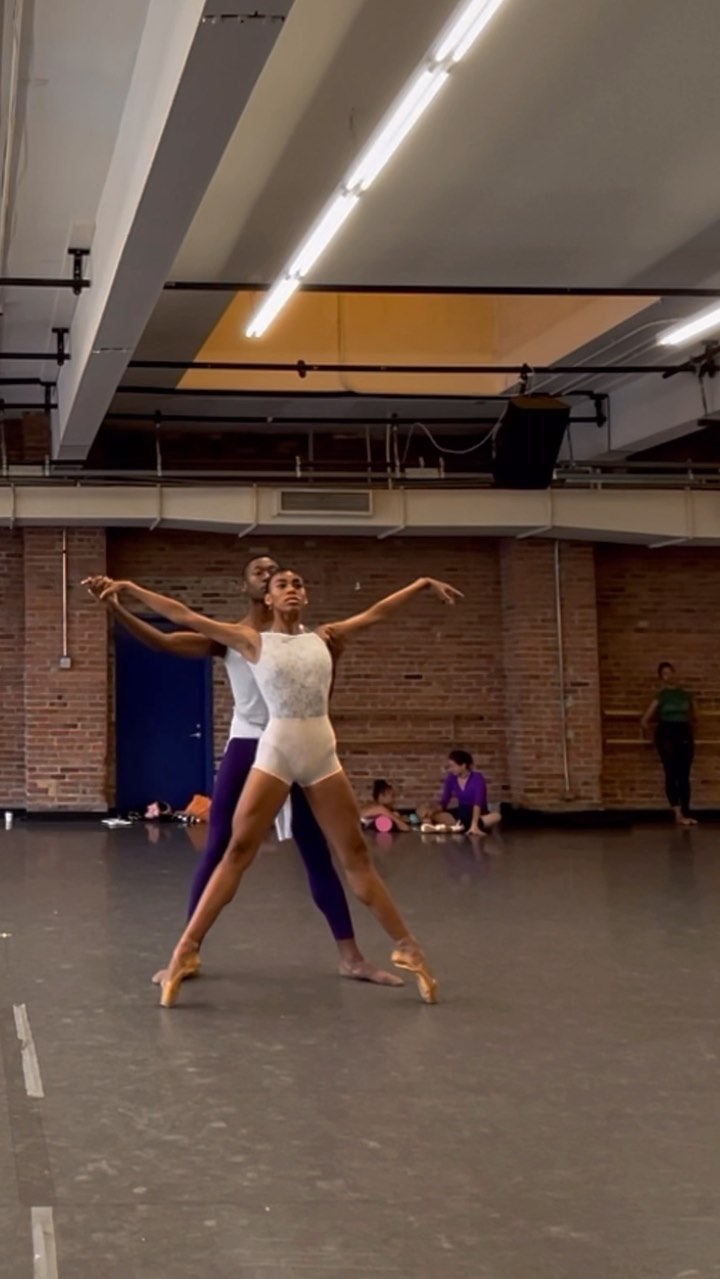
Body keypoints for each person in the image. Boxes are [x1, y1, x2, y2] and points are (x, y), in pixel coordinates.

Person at [100, 568, 462, 1007]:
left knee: (355, 856)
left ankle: (407, 946)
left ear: (305, 597)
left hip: (322, 754)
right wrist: (131, 589)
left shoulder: (324, 637)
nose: (291, 589)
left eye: (297, 584)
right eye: (281, 585)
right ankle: (185, 951)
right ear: (267, 600)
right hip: (275, 751)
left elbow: (377, 613)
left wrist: (420, 584)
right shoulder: (250, 640)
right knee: (237, 850)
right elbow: (183, 616)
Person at [641, 661, 698, 827]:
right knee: (671, 772)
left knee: (684, 774)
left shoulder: (686, 694)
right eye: (664, 674)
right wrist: (651, 737)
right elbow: (645, 720)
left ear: (675, 673)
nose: (668, 676)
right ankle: (677, 813)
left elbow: (696, 716)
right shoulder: (661, 696)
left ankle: (686, 812)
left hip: (684, 732)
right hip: (666, 733)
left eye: (670, 672)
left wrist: (690, 727)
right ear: (661, 678)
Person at [421, 749, 501, 836]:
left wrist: (474, 824)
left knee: (497, 816)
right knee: (426, 810)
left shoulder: (477, 778)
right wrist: (431, 812)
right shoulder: (451, 778)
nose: (451, 769)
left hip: (478, 813)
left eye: (453, 766)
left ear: (463, 765)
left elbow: (477, 803)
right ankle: (457, 827)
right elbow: (444, 801)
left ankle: (458, 827)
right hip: (461, 812)